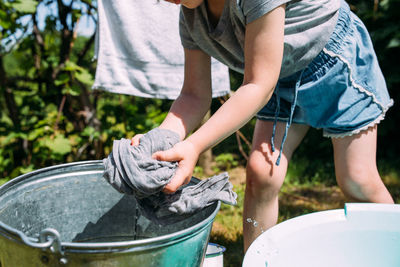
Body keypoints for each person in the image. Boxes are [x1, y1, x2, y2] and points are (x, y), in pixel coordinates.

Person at [132, 0, 395, 252]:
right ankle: (256, 260)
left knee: (358, 179)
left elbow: (258, 84)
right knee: (262, 173)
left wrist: (194, 145)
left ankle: (391, 250)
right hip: (276, 78)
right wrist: (160, 140)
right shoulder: (191, 16)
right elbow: (193, 95)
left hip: (333, 65)